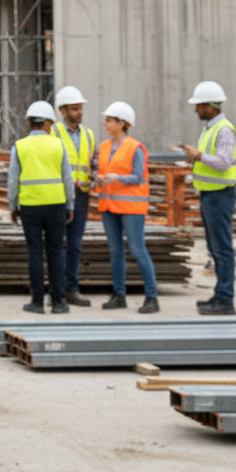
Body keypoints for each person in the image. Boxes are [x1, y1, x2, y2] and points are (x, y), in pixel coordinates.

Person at [8, 100, 74, 314]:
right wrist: (70, 205)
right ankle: (59, 302)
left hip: (30, 206)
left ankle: (37, 302)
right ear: (47, 123)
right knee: (56, 252)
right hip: (56, 205)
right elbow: (67, 178)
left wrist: (12, 205)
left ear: (30, 123)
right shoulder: (58, 145)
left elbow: (13, 180)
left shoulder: (20, 146)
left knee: (35, 252)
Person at [180, 81, 236, 316]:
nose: (196, 109)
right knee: (215, 248)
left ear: (209, 105)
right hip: (210, 194)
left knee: (222, 248)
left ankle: (225, 299)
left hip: (220, 196)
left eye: (199, 105)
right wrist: (195, 158)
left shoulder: (223, 129)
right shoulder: (209, 129)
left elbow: (223, 163)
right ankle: (220, 294)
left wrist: (199, 155)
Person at [95, 101, 159, 313]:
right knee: (115, 251)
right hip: (109, 206)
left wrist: (116, 177)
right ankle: (118, 295)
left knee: (138, 250)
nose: (105, 123)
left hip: (131, 207)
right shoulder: (104, 147)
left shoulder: (135, 148)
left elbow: (138, 176)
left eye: (109, 120)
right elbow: (101, 171)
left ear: (121, 123)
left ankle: (151, 297)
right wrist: (98, 179)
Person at [53, 85, 96, 307]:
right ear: (63, 111)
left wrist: (92, 180)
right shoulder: (54, 133)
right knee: (58, 244)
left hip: (81, 196)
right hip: (60, 195)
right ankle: (58, 290)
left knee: (75, 245)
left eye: (80, 108)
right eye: (75, 109)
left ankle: (71, 289)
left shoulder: (89, 135)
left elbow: (92, 164)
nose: (80, 112)